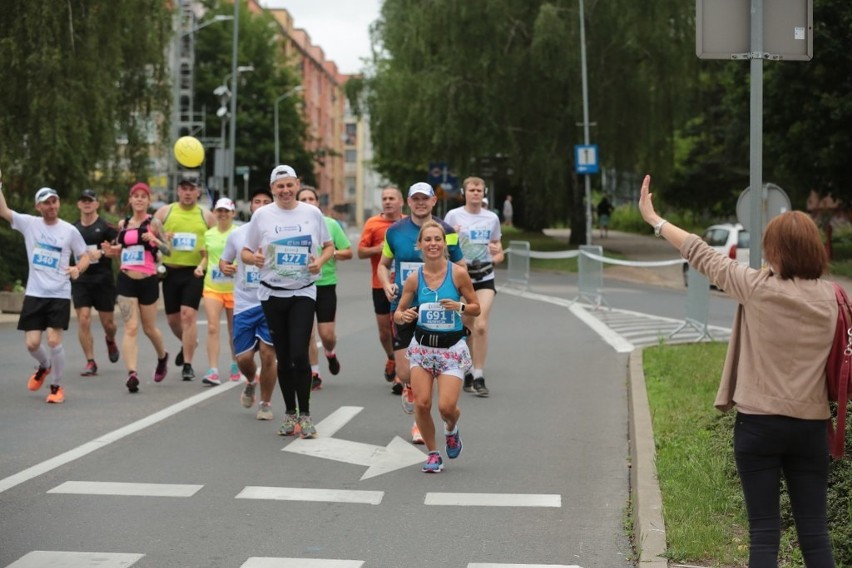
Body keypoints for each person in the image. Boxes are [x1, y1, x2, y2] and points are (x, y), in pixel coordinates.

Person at [638, 174, 837, 567]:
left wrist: (655, 220)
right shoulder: (834, 298)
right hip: (811, 425)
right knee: (815, 533)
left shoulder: (756, 287)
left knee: (764, 534)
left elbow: (700, 252)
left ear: (775, 251)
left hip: (759, 425)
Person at [242, 165, 333, 438]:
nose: (285, 190)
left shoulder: (312, 213)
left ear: (297, 184)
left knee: (298, 354)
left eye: (289, 185)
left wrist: (319, 262)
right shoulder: (262, 216)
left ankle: (305, 415)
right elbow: (245, 251)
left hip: (303, 291)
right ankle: (289, 413)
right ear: (272, 189)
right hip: (271, 293)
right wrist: (253, 259)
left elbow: (329, 246)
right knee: (283, 357)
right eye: (279, 186)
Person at [377, 182, 464, 444]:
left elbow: (460, 263)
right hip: (404, 308)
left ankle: (420, 421)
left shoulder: (446, 231)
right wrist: (386, 284)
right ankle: (409, 388)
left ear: (433, 201)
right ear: (408, 201)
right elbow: (384, 265)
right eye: (415, 199)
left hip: (437, 311)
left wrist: (455, 292)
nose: (420, 203)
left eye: (425, 199)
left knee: (428, 370)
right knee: (404, 372)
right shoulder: (395, 231)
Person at [393, 221, 480, 472]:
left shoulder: (458, 274)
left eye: (437, 239)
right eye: (427, 240)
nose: (433, 244)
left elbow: (476, 307)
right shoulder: (413, 278)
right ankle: (432, 454)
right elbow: (398, 313)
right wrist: (405, 316)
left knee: (446, 407)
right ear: (419, 245)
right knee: (421, 403)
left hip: (451, 349)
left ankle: (451, 429)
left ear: (444, 244)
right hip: (422, 349)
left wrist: (460, 307)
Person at [0, 186, 91, 404]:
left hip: (59, 294)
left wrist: (78, 268)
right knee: (32, 344)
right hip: (35, 293)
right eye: (46, 203)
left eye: (54, 201)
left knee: (53, 340)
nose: (51, 206)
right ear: (38, 206)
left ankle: (56, 386)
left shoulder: (69, 230)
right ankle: (44, 365)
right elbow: (3, 211)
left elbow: (85, 255)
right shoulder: (30, 224)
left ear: (58, 203)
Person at [220, 187, 278, 420]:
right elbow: (224, 262)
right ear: (251, 206)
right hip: (245, 303)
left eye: (266, 201)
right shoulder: (237, 234)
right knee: (243, 358)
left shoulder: (278, 232)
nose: (261, 205)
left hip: (271, 301)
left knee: (267, 355)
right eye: (257, 201)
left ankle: (265, 403)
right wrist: (225, 267)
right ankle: (251, 381)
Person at [106, 182, 170, 393]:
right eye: (136, 196)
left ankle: (162, 357)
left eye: (144, 196)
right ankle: (132, 373)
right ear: (131, 200)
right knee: (131, 327)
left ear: (149, 200)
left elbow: (168, 251)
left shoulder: (155, 223)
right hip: (126, 279)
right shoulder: (123, 223)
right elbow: (121, 248)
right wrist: (110, 250)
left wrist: (154, 239)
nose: (140, 199)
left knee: (149, 328)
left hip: (148, 279)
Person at [444, 176, 504, 397]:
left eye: (479, 190)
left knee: (480, 325)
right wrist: (454, 237)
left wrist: (497, 255)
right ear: (464, 192)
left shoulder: (492, 218)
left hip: (485, 276)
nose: (476, 193)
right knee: (466, 326)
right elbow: (443, 246)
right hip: (462, 276)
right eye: (472, 190)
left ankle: (478, 375)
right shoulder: (453, 216)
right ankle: (467, 369)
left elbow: (498, 249)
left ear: (484, 193)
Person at [154, 173, 215, 381]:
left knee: (188, 315)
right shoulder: (165, 211)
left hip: (194, 271)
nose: (188, 193)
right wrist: (162, 237)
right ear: (178, 190)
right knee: (173, 320)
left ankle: (187, 364)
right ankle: (190, 342)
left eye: (192, 189)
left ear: (198, 192)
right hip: (170, 270)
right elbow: (150, 233)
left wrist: (208, 259)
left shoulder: (206, 215)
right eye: (184, 189)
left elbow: (216, 240)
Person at [296, 186, 353, 390]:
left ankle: (330, 352)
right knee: (308, 333)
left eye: (312, 198)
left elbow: (348, 251)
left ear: (318, 202)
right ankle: (314, 373)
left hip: (326, 284)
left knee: (326, 334)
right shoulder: (293, 226)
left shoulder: (330, 224)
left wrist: (329, 254)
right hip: (302, 284)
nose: (308, 202)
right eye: (304, 199)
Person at [358, 185, 405, 384]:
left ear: (401, 202)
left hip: (404, 284)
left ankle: (402, 375)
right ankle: (392, 358)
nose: (387, 201)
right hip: (380, 284)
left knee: (402, 327)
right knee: (385, 331)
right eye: (384, 198)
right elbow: (360, 252)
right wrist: (379, 249)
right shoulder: (373, 223)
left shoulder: (408, 223)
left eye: (391, 198)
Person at [71, 189, 120, 376]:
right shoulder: (72, 229)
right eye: (83, 200)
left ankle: (110, 339)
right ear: (78, 204)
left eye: (90, 201)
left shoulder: (106, 227)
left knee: (108, 324)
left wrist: (107, 251)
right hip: (81, 280)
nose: (87, 204)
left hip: (103, 280)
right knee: (83, 319)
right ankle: (90, 361)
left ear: (97, 204)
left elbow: (121, 245)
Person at [197, 197, 239, 386]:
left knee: (233, 330)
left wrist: (236, 266)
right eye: (219, 211)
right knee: (213, 327)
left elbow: (245, 256)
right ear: (215, 213)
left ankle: (235, 364)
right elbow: (207, 258)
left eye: (226, 211)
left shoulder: (238, 233)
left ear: (233, 213)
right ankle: (213, 370)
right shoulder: (209, 234)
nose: (222, 214)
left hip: (235, 288)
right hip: (212, 287)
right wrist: (200, 266)